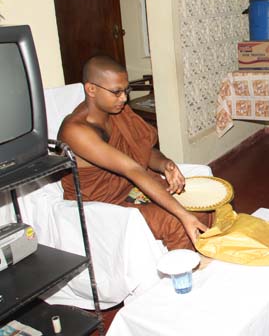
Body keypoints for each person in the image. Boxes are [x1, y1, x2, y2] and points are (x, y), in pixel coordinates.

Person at [59, 55, 213, 250]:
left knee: (203, 207)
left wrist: (165, 164)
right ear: (91, 89)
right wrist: (183, 215)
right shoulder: (75, 131)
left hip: (130, 188)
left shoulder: (118, 111)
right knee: (177, 221)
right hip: (103, 205)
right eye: (116, 92)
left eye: (126, 90)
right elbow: (132, 169)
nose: (124, 98)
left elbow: (143, 150)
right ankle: (184, 267)